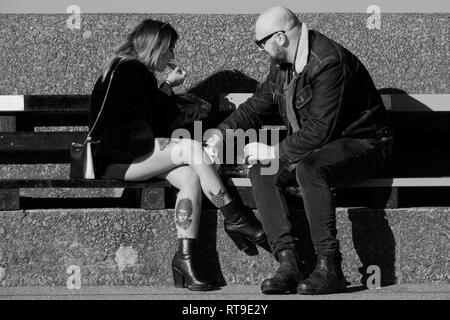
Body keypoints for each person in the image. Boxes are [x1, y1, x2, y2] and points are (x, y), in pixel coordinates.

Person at [205, 7, 393, 295]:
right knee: (262, 170)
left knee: (310, 168)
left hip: (364, 144)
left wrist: (273, 151)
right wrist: (220, 132)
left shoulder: (329, 62)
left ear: (279, 37)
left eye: (261, 43)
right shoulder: (283, 65)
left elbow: (320, 131)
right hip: (322, 145)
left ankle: (330, 268)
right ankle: (288, 261)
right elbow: (259, 103)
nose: (261, 50)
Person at [89, 19, 270, 292]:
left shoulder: (129, 69)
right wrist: (167, 91)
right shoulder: (131, 69)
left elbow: (147, 116)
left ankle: (184, 258)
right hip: (117, 158)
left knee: (188, 177)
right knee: (191, 149)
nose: (172, 55)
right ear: (157, 46)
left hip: (129, 154)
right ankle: (236, 219)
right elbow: (146, 120)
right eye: (170, 49)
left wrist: (166, 89)